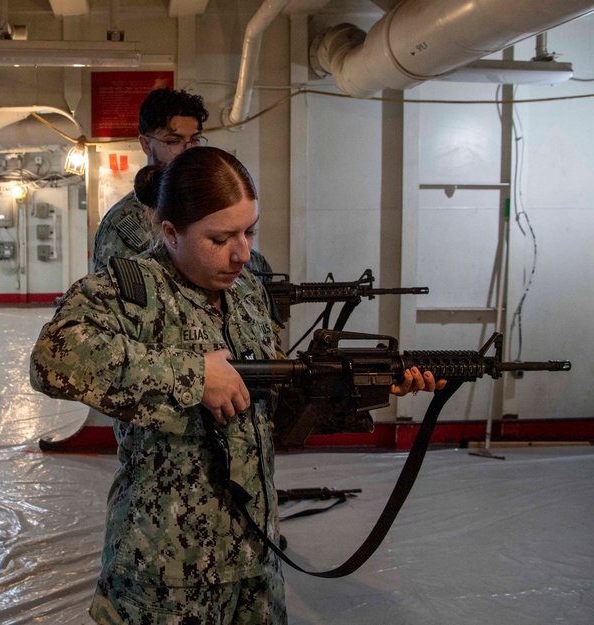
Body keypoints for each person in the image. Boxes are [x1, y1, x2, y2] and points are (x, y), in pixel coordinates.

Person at [31, 147, 442, 624]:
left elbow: (275, 408)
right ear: (170, 233)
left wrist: (359, 389)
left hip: (254, 559)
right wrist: (193, 376)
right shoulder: (129, 291)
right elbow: (51, 358)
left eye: (249, 232)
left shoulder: (246, 292)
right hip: (165, 569)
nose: (242, 253)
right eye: (220, 238)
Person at [91, 87, 273, 278]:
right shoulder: (122, 224)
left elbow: (250, 269)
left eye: (194, 140)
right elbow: (116, 295)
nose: (187, 150)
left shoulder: (210, 203)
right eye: (173, 142)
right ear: (146, 144)